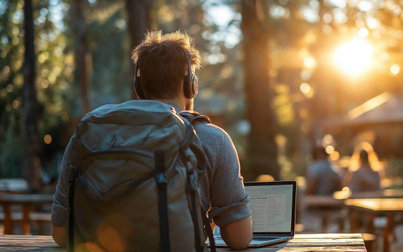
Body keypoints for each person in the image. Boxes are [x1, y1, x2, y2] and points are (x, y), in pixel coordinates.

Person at [51, 31, 252, 250]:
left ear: (139, 86)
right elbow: (239, 238)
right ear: (190, 85)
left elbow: (60, 231)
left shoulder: (91, 133)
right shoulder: (212, 138)